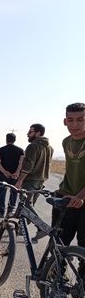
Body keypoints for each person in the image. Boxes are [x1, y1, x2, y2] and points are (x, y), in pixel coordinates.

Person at [53, 103, 85, 246]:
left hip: (81, 199)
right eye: (70, 120)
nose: (75, 125)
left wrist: (80, 196)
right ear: (65, 121)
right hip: (66, 198)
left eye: (80, 119)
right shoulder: (66, 142)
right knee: (58, 247)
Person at [15, 123, 53, 204]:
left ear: (38, 133)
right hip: (40, 182)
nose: (27, 134)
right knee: (31, 206)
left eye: (30, 132)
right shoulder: (50, 148)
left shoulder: (32, 146)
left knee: (24, 206)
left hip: (30, 181)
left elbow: (28, 166)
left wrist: (20, 181)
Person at [0, 133, 24, 217]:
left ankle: (1, 212)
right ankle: (10, 211)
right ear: (15, 140)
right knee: (14, 193)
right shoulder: (20, 150)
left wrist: (4, 172)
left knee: (1, 193)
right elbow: (22, 163)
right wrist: (17, 172)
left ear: (6, 139)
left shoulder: (1, 150)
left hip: (2, 175)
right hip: (15, 175)